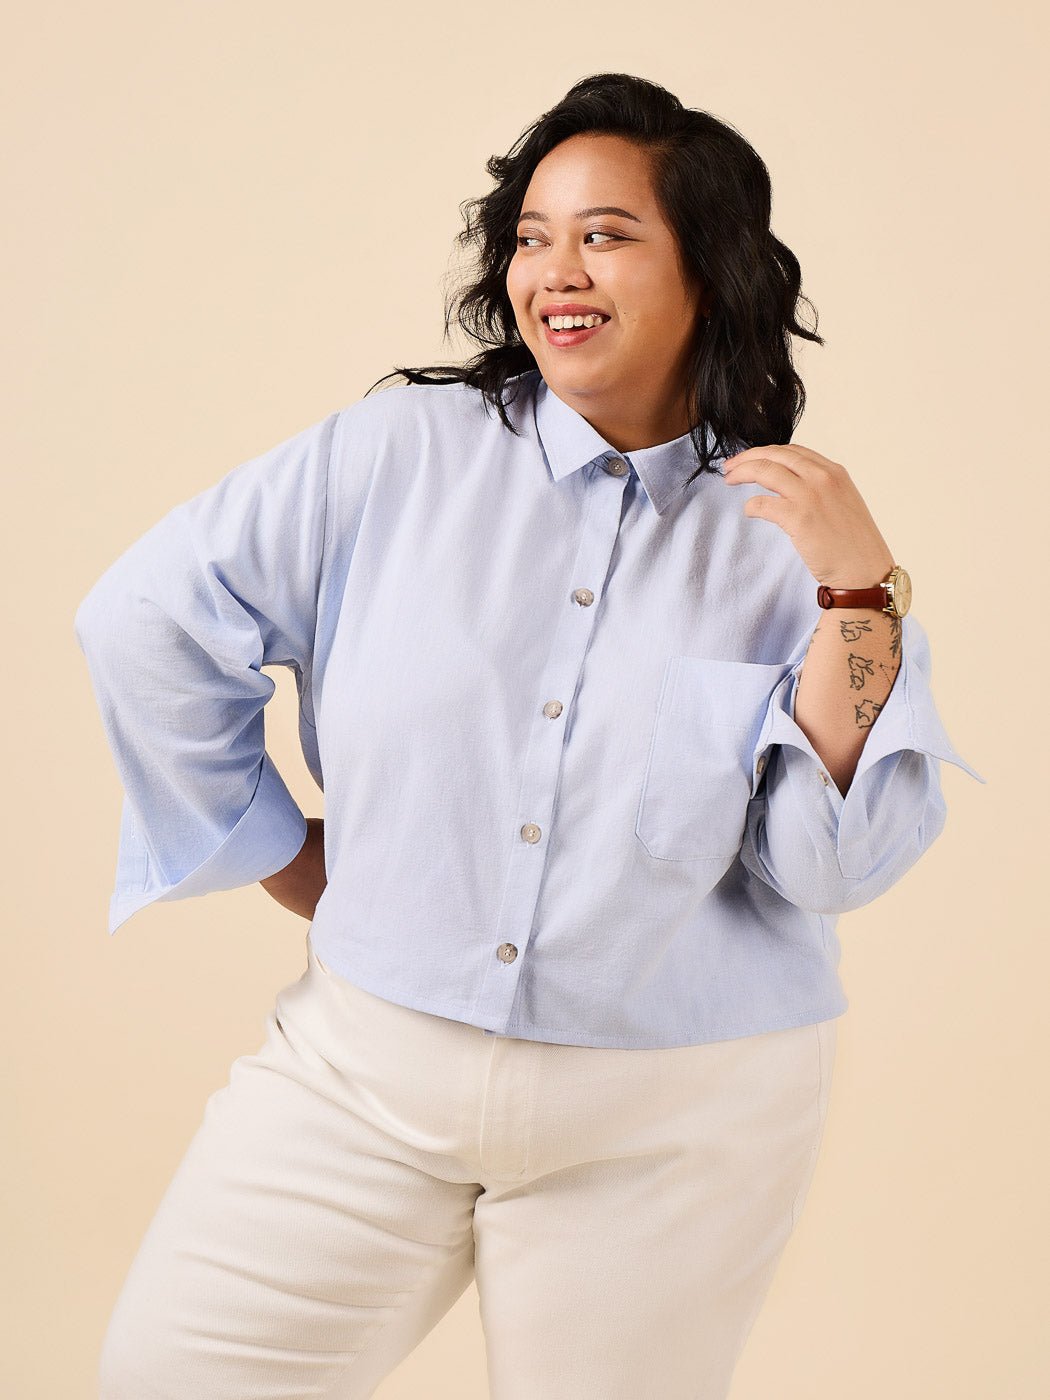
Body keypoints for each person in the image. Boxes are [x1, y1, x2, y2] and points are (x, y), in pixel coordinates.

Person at [74, 71, 982, 1400]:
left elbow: (828, 867)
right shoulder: (396, 455)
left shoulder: (788, 540)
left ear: (709, 270)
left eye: (606, 234)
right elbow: (144, 618)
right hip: (361, 1077)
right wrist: (269, 847)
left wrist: (857, 597)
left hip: (679, 1122)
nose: (556, 271)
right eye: (532, 236)